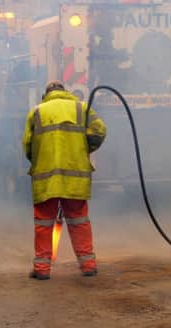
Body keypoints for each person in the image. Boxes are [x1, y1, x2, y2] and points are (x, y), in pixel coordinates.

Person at [22, 81, 107, 280]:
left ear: (47, 94)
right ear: (65, 92)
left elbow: (27, 144)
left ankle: (42, 270)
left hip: (46, 178)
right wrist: (84, 147)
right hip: (74, 177)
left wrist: (38, 159)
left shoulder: (37, 111)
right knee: (79, 220)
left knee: (44, 223)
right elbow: (100, 131)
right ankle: (88, 265)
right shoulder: (81, 107)